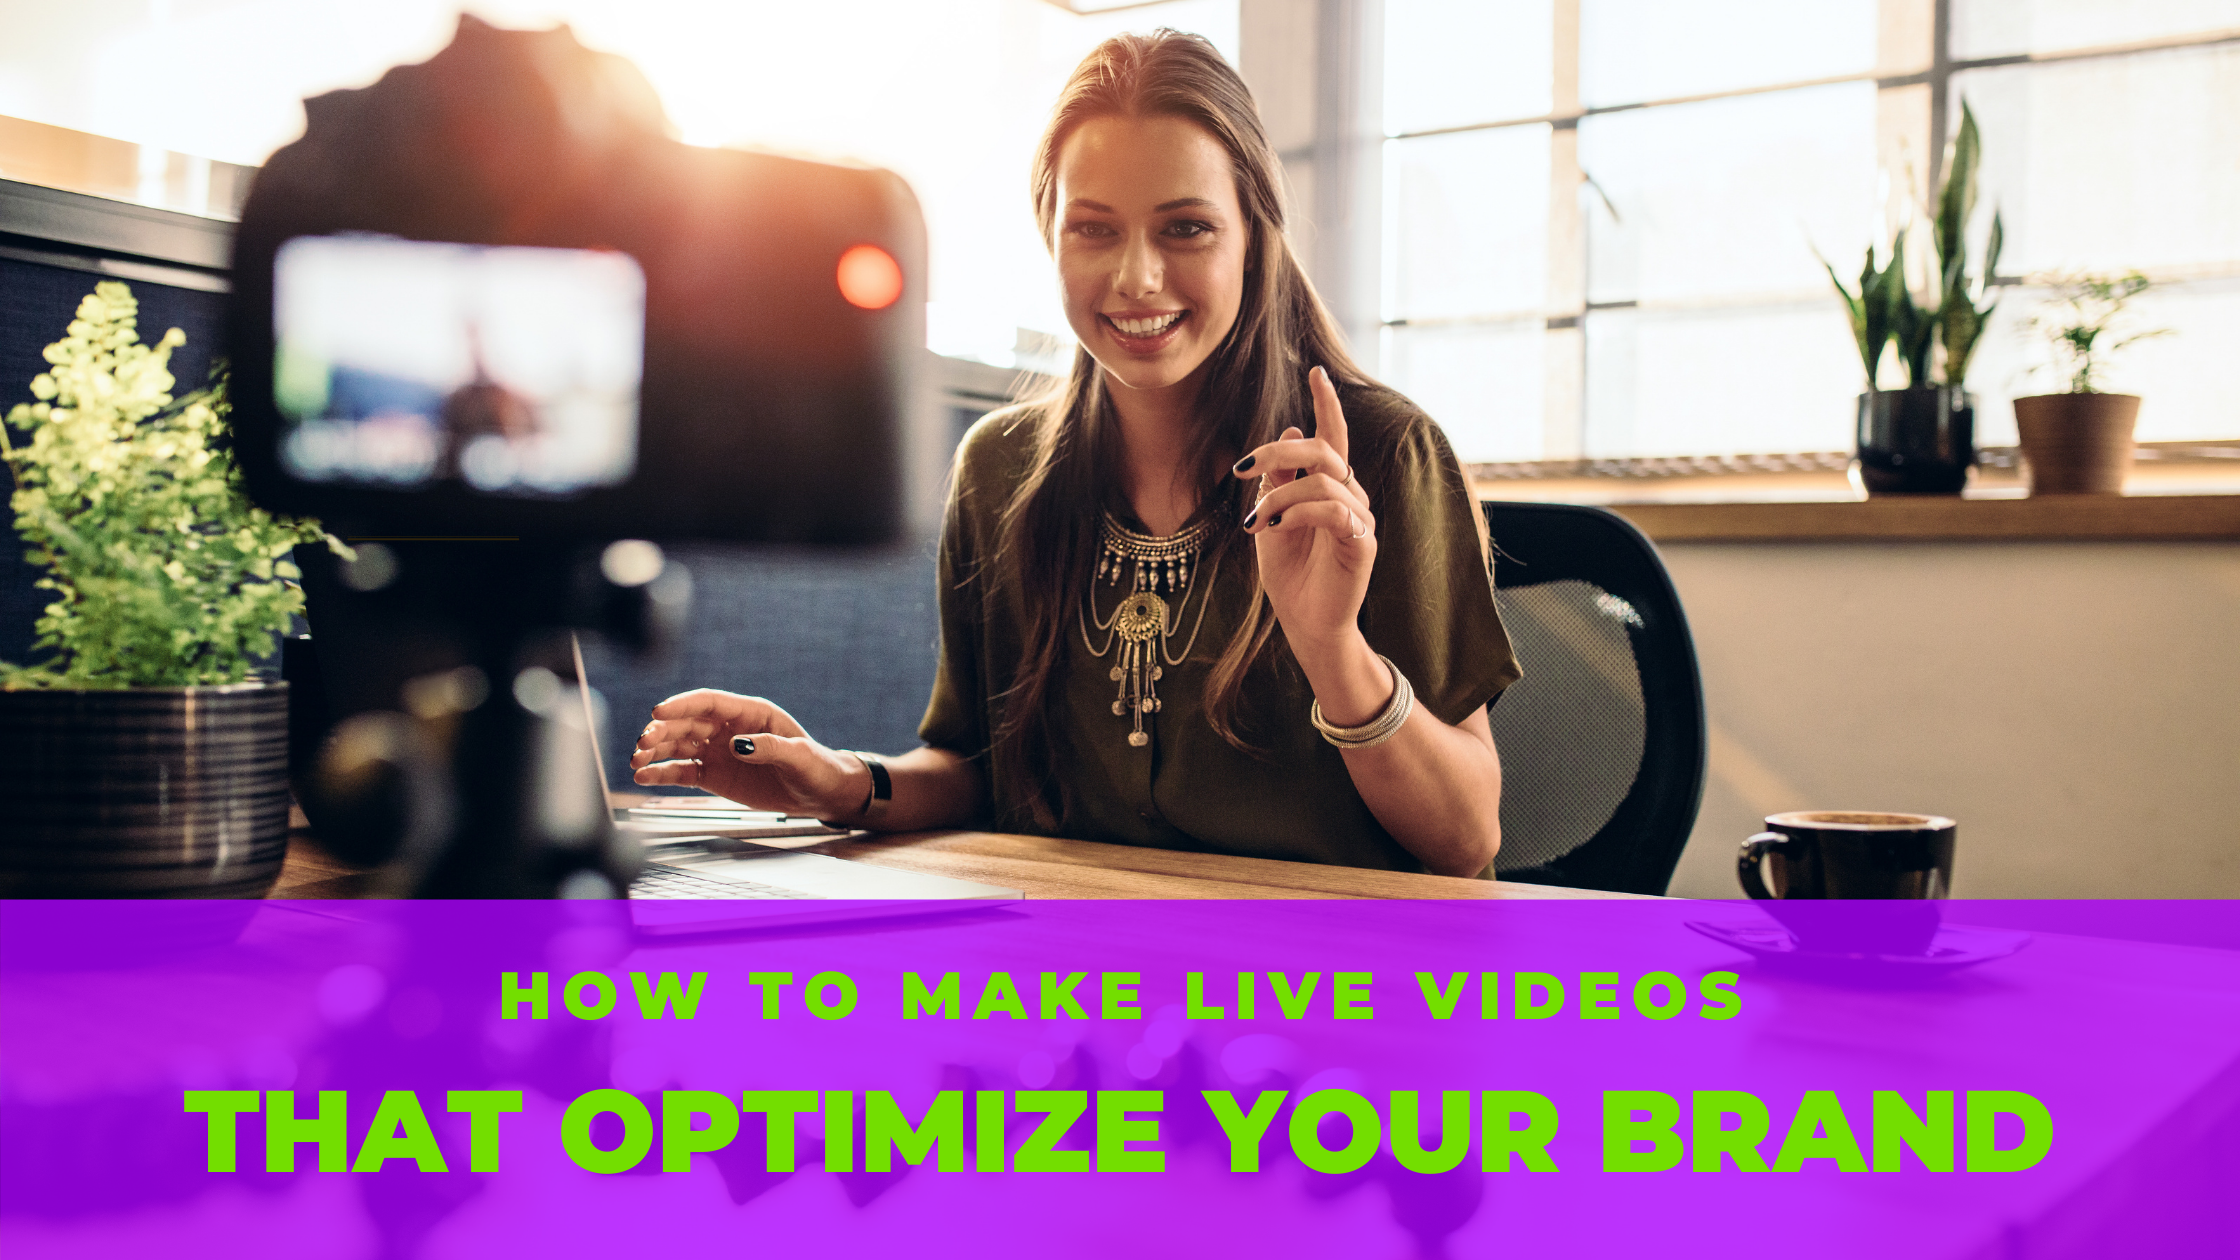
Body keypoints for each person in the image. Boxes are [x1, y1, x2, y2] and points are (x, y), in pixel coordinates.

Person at [631, 30, 1518, 878]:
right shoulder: (999, 472)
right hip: (1094, 973)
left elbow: (1466, 836)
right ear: (1049, 233)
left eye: (1186, 229)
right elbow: (977, 766)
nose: (1136, 277)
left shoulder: (1378, 457)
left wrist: (1333, 651)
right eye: (1094, 229)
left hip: (1334, 987)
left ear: (1255, 236)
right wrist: (843, 782)